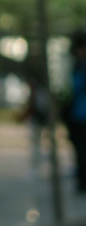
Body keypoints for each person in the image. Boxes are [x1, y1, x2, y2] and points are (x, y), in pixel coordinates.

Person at [68, 30, 86, 194]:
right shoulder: (78, 65)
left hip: (80, 115)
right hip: (79, 115)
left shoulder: (80, 66)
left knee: (81, 151)